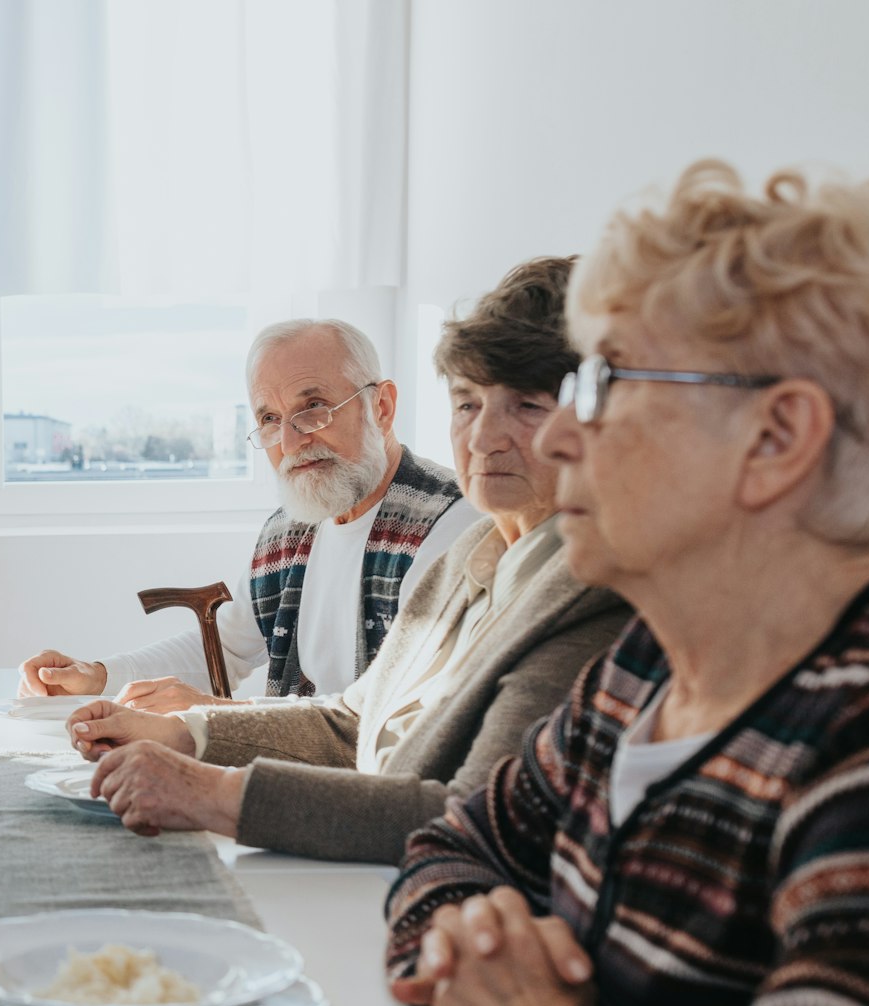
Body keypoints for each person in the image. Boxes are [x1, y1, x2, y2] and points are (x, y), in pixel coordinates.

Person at [386, 162, 869, 1006]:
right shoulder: (645, 670)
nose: (556, 436)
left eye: (606, 382)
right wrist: (475, 933)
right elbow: (451, 844)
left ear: (773, 437)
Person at [66, 259, 632, 864]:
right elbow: (354, 718)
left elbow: (474, 815)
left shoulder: (577, 587)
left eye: (526, 405)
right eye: (466, 403)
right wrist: (183, 732)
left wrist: (213, 793)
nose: (483, 437)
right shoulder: (476, 552)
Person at [19, 318, 477, 705]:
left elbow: (398, 712)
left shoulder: (452, 525)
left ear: (382, 407)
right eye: (270, 420)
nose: (293, 442)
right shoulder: (290, 531)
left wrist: (215, 718)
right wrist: (96, 677)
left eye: (313, 407)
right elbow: (226, 649)